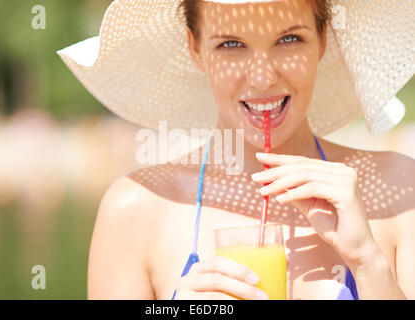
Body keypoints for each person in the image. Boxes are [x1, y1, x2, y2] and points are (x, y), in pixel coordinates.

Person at [58, 0, 414, 299]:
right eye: (231, 44)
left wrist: (369, 264)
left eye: (289, 38)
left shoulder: (400, 192)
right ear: (194, 48)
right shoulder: (134, 209)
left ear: (322, 40)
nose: (262, 78)